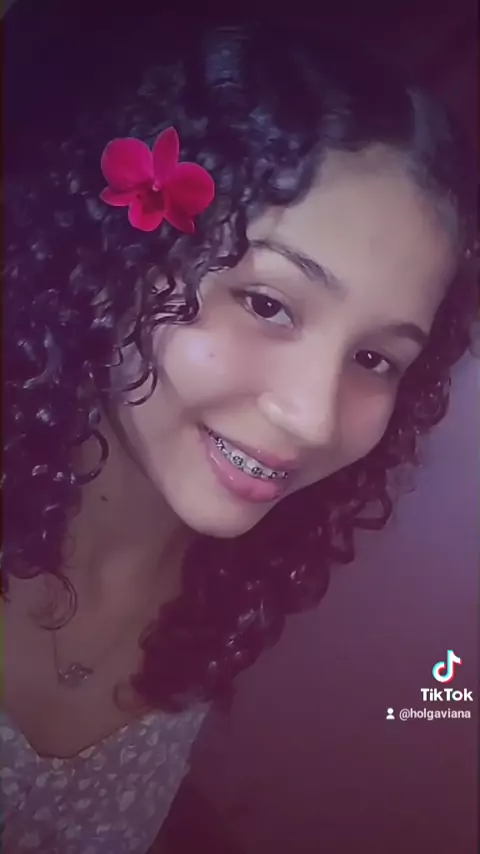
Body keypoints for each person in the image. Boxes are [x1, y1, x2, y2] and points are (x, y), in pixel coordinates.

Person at [2, 13, 477, 854]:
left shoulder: (230, 584)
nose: (313, 417)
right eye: (266, 303)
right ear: (118, 260)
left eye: (374, 358)